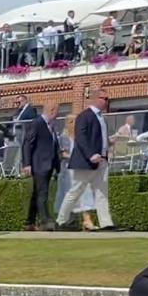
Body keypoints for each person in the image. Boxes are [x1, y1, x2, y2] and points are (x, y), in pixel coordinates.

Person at [55, 89, 115, 230]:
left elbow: (99, 138)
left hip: (102, 160)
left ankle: (106, 223)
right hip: (85, 161)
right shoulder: (84, 116)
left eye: (108, 99)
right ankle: (61, 220)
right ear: (95, 99)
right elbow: (81, 138)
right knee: (76, 191)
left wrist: (108, 145)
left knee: (102, 192)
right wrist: (90, 155)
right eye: (104, 99)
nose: (107, 102)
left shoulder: (102, 118)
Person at [21, 101, 60, 231]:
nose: (58, 114)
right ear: (52, 110)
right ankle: (45, 220)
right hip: (39, 164)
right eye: (57, 111)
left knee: (37, 193)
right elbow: (27, 143)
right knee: (42, 193)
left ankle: (29, 222)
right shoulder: (37, 123)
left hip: (48, 164)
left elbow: (53, 145)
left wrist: (57, 164)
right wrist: (27, 164)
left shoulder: (51, 126)